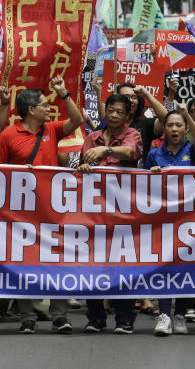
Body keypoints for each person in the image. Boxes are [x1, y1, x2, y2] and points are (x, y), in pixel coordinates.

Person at [0, 79, 82, 335]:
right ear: (31, 109)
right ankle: (27, 317)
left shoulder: (51, 130)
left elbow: (77, 120)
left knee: (57, 262)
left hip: (53, 211)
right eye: (44, 105)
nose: (49, 108)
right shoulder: (9, 135)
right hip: (21, 212)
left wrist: (64, 93)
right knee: (23, 262)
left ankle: (60, 316)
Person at [79, 93, 142, 334]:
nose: (114, 115)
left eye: (119, 112)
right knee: (92, 266)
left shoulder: (132, 135)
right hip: (93, 214)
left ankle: (125, 319)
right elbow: (83, 163)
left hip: (122, 214)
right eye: (111, 110)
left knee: (123, 266)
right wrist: (85, 166)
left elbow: (129, 153)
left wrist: (106, 150)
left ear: (128, 116)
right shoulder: (91, 137)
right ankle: (95, 318)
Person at [145, 106, 195, 336]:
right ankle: (164, 315)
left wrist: (186, 113)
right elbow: (145, 185)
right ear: (164, 130)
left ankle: (179, 315)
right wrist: (153, 174)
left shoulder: (193, 149)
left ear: (186, 128)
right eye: (169, 125)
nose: (174, 128)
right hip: (164, 219)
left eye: (179, 125)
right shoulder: (154, 153)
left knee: (184, 268)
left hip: (189, 218)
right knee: (165, 266)